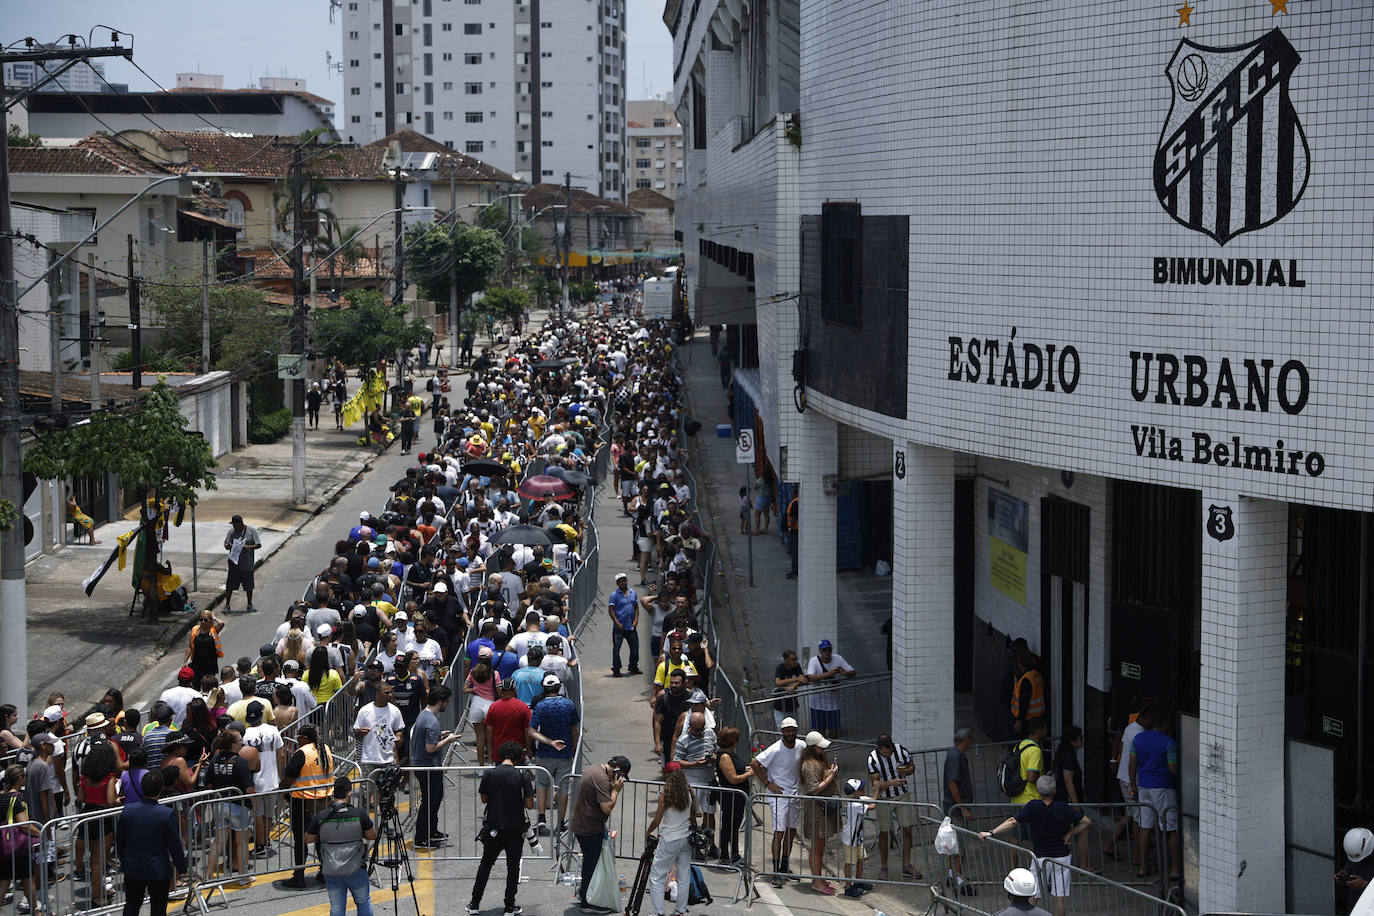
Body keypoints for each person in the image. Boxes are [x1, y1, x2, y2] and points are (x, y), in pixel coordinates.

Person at [980, 776, 1090, 916]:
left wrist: (992, 832)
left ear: (1038, 791)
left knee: (1033, 895)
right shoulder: (1063, 807)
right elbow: (1086, 821)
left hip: (1040, 857)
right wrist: (1069, 834)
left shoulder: (1033, 806)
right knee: (1059, 898)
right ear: (1054, 791)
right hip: (1062, 856)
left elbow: (1013, 821)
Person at [466, 741, 536, 916]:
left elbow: (484, 799)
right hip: (515, 829)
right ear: (518, 758)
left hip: (493, 828)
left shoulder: (490, 774)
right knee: (513, 868)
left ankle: (474, 904)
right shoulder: (523, 776)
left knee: (485, 865)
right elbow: (529, 804)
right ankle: (509, 906)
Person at [116, 770, 187, 916]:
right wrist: (182, 867)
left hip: (133, 867)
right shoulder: (166, 814)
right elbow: (174, 845)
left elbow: (120, 840)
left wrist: (124, 860)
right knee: (158, 908)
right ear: (161, 788)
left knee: (132, 905)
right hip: (158, 869)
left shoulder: (128, 810)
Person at [306, 776, 377, 916]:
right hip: (356, 868)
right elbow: (372, 835)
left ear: (333, 794)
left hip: (331, 868)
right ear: (349, 793)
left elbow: (308, 839)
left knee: (337, 907)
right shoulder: (358, 814)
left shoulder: (321, 817)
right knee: (363, 902)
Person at [569, 755, 631, 913]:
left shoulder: (594, 769)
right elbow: (606, 809)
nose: (620, 780)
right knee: (591, 864)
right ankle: (587, 902)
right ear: (617, 770)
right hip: (588, 828)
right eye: (621, 776)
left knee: (590, 863)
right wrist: (615, 791)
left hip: (584, 824)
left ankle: (585, 894)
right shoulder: (602, 779)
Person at [276, 723, 334, 890]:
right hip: (324, 801)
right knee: (321, 837)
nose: (297, 740)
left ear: (305, 738)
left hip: (303, 802)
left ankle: (299, 876)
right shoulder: (325, 749)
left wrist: (282, 789)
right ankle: (324, 871)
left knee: (301, 839)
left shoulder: (302, 753)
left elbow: (288, 777)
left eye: (299, 738)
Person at [750, 717, 804, 886]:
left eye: (793, 730)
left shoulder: (802, 746)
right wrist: (767, 783)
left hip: (794, 794)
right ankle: (775, 871)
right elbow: (754, 763)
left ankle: (784, 866)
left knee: (791, 831)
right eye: (787, 730)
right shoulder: (775, 749)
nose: (790, 733)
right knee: (779, 832)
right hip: (778, 795)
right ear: (782, 732)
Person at [1129, 711, 1180, 882]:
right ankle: (1174, 869)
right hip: (1163, 788)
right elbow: (1173, 769)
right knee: (1171, 828)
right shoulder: (1169, 742)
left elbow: (1132, 763)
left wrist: (1133, 786)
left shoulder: (1138, 739)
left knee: (1145, 826)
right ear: (1164, 724)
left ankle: (1143, 867)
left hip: (1143, 786)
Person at [644, 762, 698, 916]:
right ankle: (680, 911)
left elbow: (657, 819)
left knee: (657, 875)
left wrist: (648, 832)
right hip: (686, 838)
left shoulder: (666, 794)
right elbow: (694, 815)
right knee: (684, 875)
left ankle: (659, 912)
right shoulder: (689, 792)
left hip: (669, 839)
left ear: (667, 775)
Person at [411, 685, 461, 849]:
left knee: (436, 798)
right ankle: (421, 838)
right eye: (446, 702)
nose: (447, 705)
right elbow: (430, 748)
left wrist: (440, 736)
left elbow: (427, 739)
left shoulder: (424, 715)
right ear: (440, 701)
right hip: (427, 767)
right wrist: (449, 740)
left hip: (426, 765)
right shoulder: (431, 721)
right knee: (429, 802)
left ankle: (431, 831)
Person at [529, 673, 578, 833]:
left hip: (545, 753)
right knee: (563, 788)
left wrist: (549, 742)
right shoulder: (569, 704)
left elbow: (532, 731)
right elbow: (574, 729)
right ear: (558, 687)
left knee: (542, 784)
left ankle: (542, 818)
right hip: (565, 753)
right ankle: (561, 823)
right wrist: (574, 747)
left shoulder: (541, 706)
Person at [206, 730, 255, 887]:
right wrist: (254, 805)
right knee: (242, 843)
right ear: (234, 744)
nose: (242, 742)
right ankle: (243, 876)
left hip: (220, 805)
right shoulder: (241, 762)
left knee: (218, 842)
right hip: (239, 806)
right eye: (240, 740)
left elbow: (209, 784)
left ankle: (208, 876)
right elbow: (249, 789)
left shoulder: (215, 760)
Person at [867, 733, 919, 880]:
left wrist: (908, 771)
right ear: (879, 749)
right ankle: (884, 867)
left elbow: (911, 765)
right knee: (884, 833)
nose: (887, 754)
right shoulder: (872, 759)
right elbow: (876, 784)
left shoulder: (901, 750)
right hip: (884, 798)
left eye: (889, 751)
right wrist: (891, 783)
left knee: (907, 829)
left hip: (902, 795)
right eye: (884, 752)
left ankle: (907, 866)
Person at [799, 731, 840, 895]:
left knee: (820, 845)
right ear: (812, 748)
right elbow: (813, 789)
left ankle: (819, 878)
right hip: (816, 809)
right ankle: (816, 881)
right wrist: (832, 776)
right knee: (817, 846)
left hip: (823, 808)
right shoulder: (809, 764)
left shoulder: (818, 761)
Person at [1051, 726, 1095, 872]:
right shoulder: (1068, 757)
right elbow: (1068, 780)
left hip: (1063, 799)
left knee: (1075, 828)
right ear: (1073, 741)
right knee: (1084, 827)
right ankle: (1083, 865)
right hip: (1068, 800)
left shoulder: (1063, 754)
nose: (1082, 741)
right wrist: (1076, 804)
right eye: (1080, 738)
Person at [0, 765, 40, 916]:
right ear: (20, 779)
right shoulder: (17, 798)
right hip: (18, 849)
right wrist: (41, 832)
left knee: (3, 882)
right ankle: (37, 912)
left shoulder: (1, 796)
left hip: (3, 847)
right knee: (29, 880)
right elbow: (24, 825)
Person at [942, 726, 976, 895]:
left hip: (955, 808)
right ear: (966, 739)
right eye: (971, 738)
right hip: (955, 811)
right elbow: (952, 784)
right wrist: (963, 808)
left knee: (953, 846)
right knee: (957, 848)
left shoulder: (957, 755)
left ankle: (952, 876)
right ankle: (960, 882)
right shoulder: (955, 756)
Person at [714, 726, 752, 868]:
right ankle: (724, 856)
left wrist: (750, 768)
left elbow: (739, 768)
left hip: (738, 798)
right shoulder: (724, 756)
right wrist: (750, 773)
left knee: (734, 826)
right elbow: (733, 778)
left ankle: (734, 854)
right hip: (731, 797)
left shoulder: (731, 754)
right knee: (728, 827)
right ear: (732, 741)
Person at [352, 683, 405, 783]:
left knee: (387, 792)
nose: (390, 695)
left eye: (391, 692)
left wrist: (398, 737)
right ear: (377, 694)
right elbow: (356, 731)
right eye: (386, 693)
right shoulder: (365, 710)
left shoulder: (395, 711)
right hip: (369, 759)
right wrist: (360, 732)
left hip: (388, 759)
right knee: (368, 793)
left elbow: (399, 730)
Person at [804, 639, 856, 738]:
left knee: (834, 733)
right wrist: (829, 674)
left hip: (833, 703)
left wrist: (845, 673)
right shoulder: (814, 661)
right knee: (819, 733)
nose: (827, 652)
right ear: (820, 651)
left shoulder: (838, 659)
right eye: (824, 650)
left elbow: (853, 671)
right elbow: (810, 677)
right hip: (817, 703)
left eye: (829, 649)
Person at [838, 778, 876, 898]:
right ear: (855, 793)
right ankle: (848, 886)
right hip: (850, 838)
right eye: (861, 789)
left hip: (858, 837)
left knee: (861, 858)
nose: (863, 790)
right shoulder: (854, 804)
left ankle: (858, 881)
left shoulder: (859, 799)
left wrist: (876, 793)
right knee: (850, 862)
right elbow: (872, 806)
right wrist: (878, 791)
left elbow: (870, 800)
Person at [223, 514, 261, 613]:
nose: (235, 527)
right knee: (230, 586)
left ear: (241, 523)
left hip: (247, 564)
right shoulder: (231, 532)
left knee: (249, 586)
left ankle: (249, 604)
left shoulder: (251, 531)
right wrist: (230, 545)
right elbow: (226, 545)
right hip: (234, 565)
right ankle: (227, 605)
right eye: (233, 525)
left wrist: (247, 547)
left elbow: (258, 545)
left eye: (236, 525)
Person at [608, 573, 641, 677]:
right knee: (617, 649)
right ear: (617, 583)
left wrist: (636, 620)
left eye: (624, 580)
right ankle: (616, 668)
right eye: (620, 581)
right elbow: (611, 610)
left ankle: (633, 666)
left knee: (635, 648)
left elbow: (636, 607)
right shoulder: (614, 595)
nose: (623, 582)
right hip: (619, 627)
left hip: (631, 626)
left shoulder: (633, 593)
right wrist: (617, 623)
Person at [1337, 826, 1374, 914]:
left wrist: (1366, 884)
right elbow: (1349, 867)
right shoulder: (1356, 850)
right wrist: (1344, 875)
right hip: (1354, 904)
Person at [1010, 646, 1045, 738]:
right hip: (1038, 716)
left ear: (1020, 663)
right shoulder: (1037, 675)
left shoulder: (1026, 679)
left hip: (1028, 719)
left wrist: (1019, 720)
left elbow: (1024, 702)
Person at [772, 650, 808, 731]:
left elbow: (803, 679)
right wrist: (796, 679)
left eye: (796, 659)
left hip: (792, 705)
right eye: (793, 659)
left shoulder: (797, 666)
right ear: (786, 660)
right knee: (781, 729)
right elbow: (778, 682)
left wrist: (794, 685)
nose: (795, 661)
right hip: (780, 706)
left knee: (794, 728)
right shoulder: (780, 668)